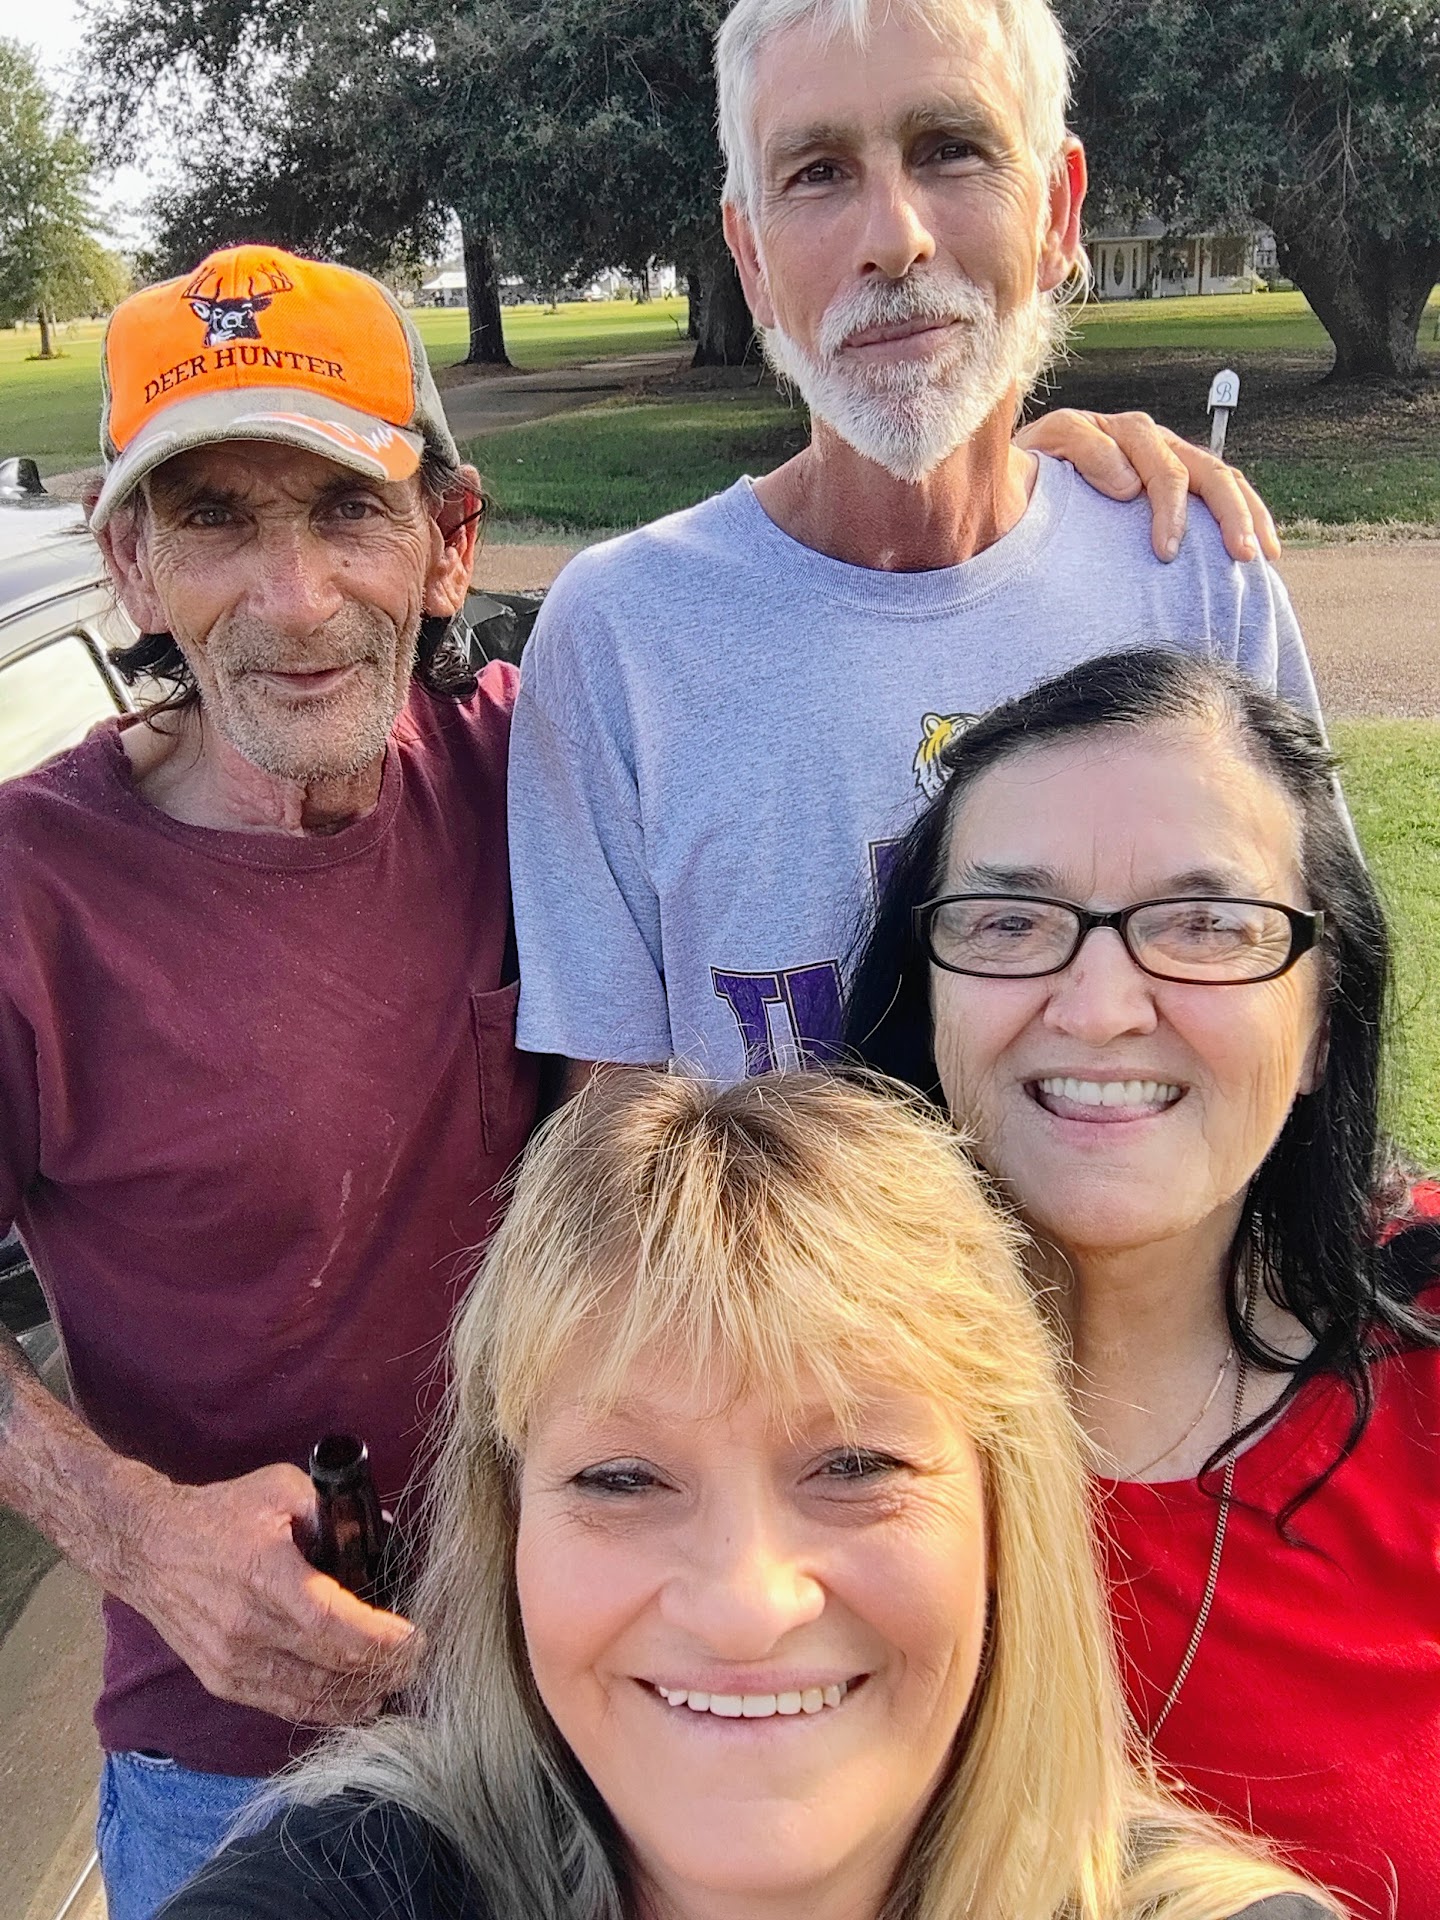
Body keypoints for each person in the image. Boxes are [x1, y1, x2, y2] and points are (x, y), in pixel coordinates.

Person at [158, 1071, 1333, 1920]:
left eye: (856, 1466)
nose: (743, 1608)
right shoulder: (352, 1881)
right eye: (622, 1478)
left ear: (1002, 1515)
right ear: (510, 1532)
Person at [0, 243, 538, 1919]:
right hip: (232, 1774)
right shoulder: (26, 895)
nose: (294, 599)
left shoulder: (534, 759)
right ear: (132, 567)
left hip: (572, 1703)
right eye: (216, 520)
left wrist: (1043, 479)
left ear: (449, 540)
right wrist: (134, 1533)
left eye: (347, 509)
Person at [506, 0, 1320, 1088]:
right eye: (817, 173)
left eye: (951, 149)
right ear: (750, 258)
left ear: (1057, 210)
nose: (895, 239)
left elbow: (1300, 1038)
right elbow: (620, 1136)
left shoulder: (1197, 575)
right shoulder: (621, 635)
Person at [843, 648, 1440, 1919]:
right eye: (1010, 923)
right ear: (926, 990)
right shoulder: (780, 1408)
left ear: (1321, 1017)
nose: (1103, 1007)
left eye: (1206, 926)